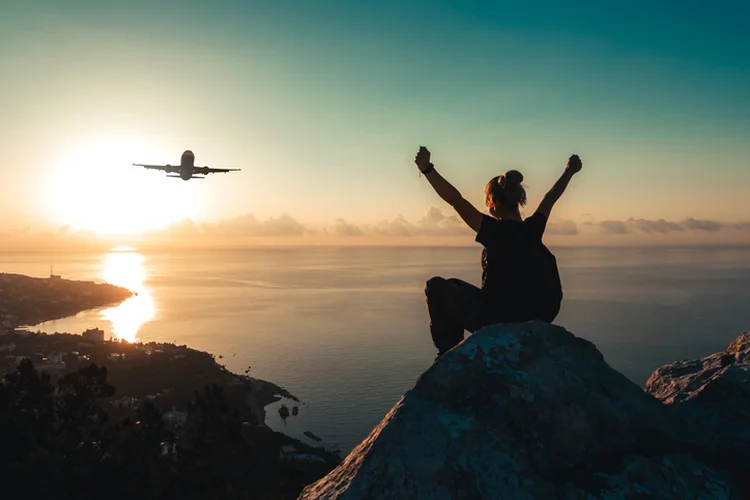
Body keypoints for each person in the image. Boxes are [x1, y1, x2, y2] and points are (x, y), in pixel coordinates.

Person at [414, 146, 583, 357]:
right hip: (538, 316)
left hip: (499, 318)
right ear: (518, 201)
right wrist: (569, 171)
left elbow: (456, 200)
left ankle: (447, 354)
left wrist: (427, 169)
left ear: (493, 203)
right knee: (455, 284)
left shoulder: (493, 230)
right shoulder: (533, 228)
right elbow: (551, 197)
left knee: (437, 286)